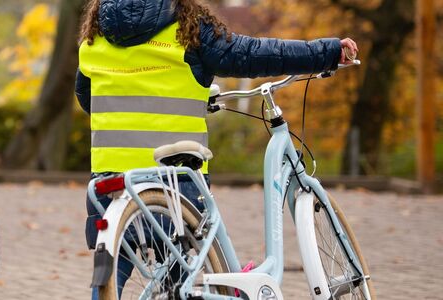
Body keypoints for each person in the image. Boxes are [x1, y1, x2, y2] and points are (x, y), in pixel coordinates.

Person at [75, 0, 358, 298]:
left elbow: (88, 99)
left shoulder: (96, 38)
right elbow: (251, 54)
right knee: (185, 278)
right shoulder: (187, 26)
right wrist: (324, 53)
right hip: (177, 182)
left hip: (113, 184)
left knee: (114, 271)